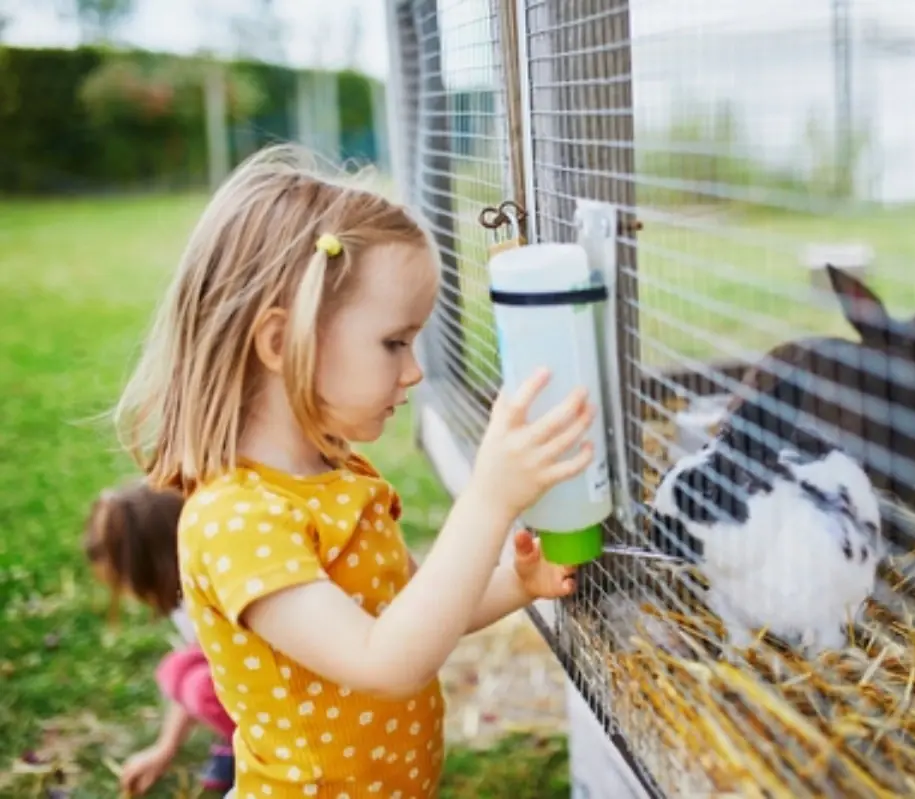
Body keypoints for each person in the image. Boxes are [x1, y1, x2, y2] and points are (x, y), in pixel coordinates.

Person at [112, 144, 597, 798]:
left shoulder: (338, 475)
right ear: (282, 342)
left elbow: (413, 612)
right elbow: (387, 659)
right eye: (394, 341)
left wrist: (517, 580)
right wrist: (487, 499)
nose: (414, 368)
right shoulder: (235, 518)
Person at [82, 481, 236, 795]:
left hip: (281, 706)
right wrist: (164, 749)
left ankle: (251, 746)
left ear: (151, 563)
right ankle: (235, 737)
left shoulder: (210, 602)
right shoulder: (183, 598)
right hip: (242, 681)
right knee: (178, 668)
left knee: (200, 688)